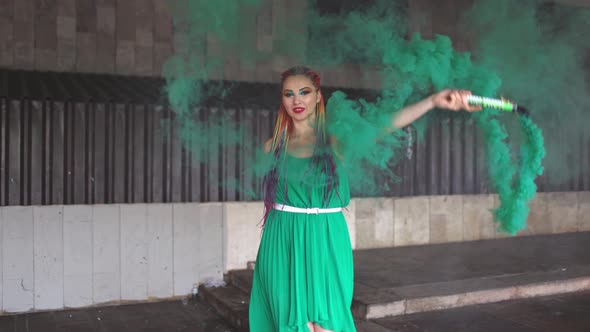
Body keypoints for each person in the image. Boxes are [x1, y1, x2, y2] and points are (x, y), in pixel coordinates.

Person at [248, 66, 481, 332]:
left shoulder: (337, 141)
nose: (297, 100)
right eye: (289, 94)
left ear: (317, 97)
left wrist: (432, 101)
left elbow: (384, 124)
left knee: (325, 324)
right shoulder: (272, 147)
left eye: (304, 92)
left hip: (325, 238)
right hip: (281, 240)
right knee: (289, 322)